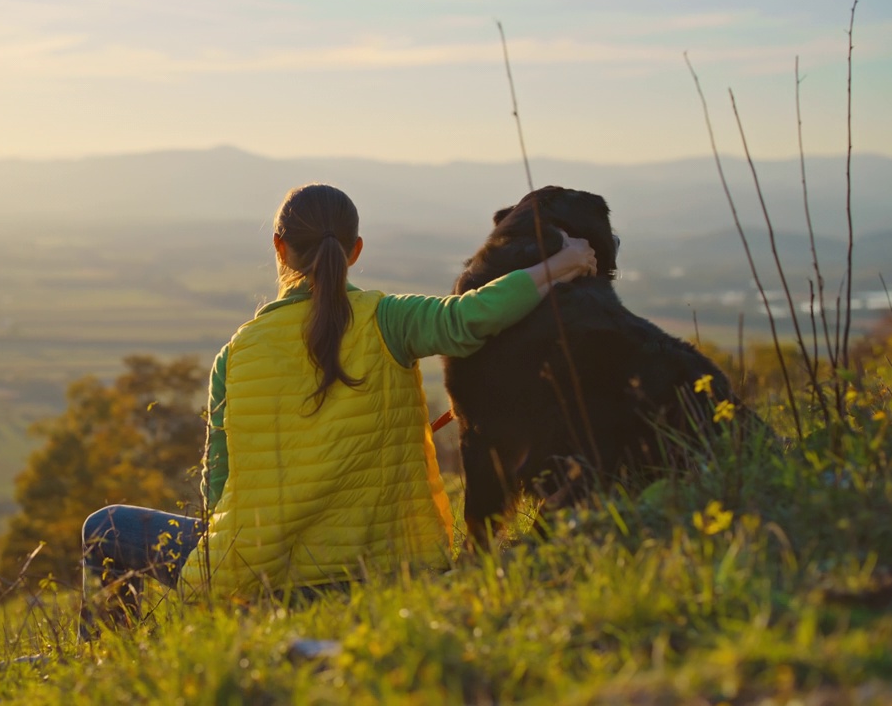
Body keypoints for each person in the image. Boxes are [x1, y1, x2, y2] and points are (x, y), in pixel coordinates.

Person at [80, 183, 596, 635]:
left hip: (266, 584)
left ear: (279, 248)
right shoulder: (389, 319)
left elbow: (218, 487)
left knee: (104, 526)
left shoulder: (237, 354)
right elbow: (469, 318)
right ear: (355, 251)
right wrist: (561, 264)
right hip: (393, 573)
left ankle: (110, 655)